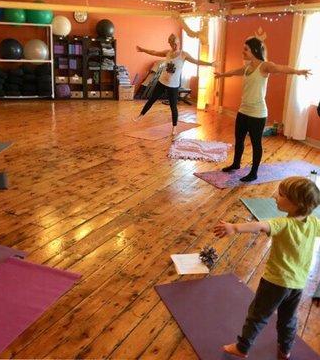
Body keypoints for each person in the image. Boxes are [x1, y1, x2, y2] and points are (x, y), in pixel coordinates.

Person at [213, 176, 320, 359]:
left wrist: (235, 227)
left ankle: (242, 347)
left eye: (281, 195)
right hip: (296, 284)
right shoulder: (314, 223)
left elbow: (260, 225)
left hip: (275, 282)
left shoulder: (283, 224)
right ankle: (285, 350)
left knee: (257, 316)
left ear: (296, 203)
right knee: (288, 319)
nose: (275, 197)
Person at [215, 37, 310, 182]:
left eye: (246, 49)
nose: (243, 51)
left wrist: (298, 71)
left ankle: (254, 173)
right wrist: (222, 75)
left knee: (256, 143)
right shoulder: (247, 67)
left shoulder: (264, 66)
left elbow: (281, 68)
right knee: (239, 140)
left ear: (254, 50)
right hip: (243, 111)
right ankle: (236, 164)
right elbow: (234, 71)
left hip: (257, 114)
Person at [134, 33, 215, 138]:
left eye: (177, 43)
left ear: (179, 43)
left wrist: (210, 64)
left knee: (173, 107)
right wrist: (143, 49)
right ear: (170, 44)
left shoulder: (183, 54)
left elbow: (196, 61)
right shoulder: (167, 53)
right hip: (162, 82)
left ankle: (174, 127)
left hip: (173, 85)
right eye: (173, 44)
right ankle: (140, 116)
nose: (176, 46)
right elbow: (154, 52)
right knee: (152, 99)